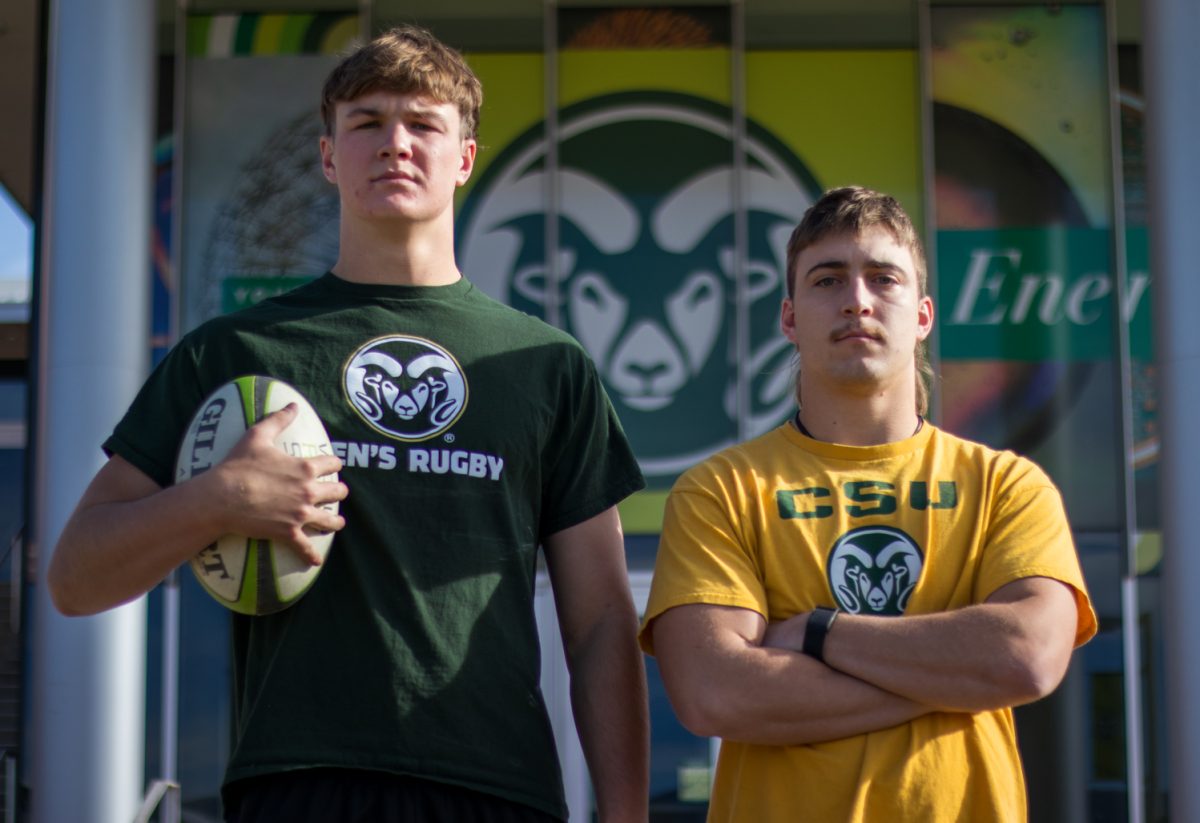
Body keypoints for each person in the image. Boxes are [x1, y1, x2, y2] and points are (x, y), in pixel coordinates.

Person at [48, 25, 649, 823]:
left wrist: (626, 810)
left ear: (464, 159)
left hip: (496, 786)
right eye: (367, 122)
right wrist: (217, 499)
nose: (394, 143)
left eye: (423, 124)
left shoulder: (546, 364)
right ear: (329, 157)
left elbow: (604, 618)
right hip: (297, 778)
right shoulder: (235, 351)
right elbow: (75, 575)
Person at [639, 186, 1096, 822]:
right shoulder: (722, 490)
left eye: (884, 278)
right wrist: (954, 679)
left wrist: (819, 633)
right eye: (828, 280)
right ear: (791, 318)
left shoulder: (1006, 486)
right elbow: (715, 693)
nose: (858, 300)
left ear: (924, 316)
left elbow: (1025, 658)